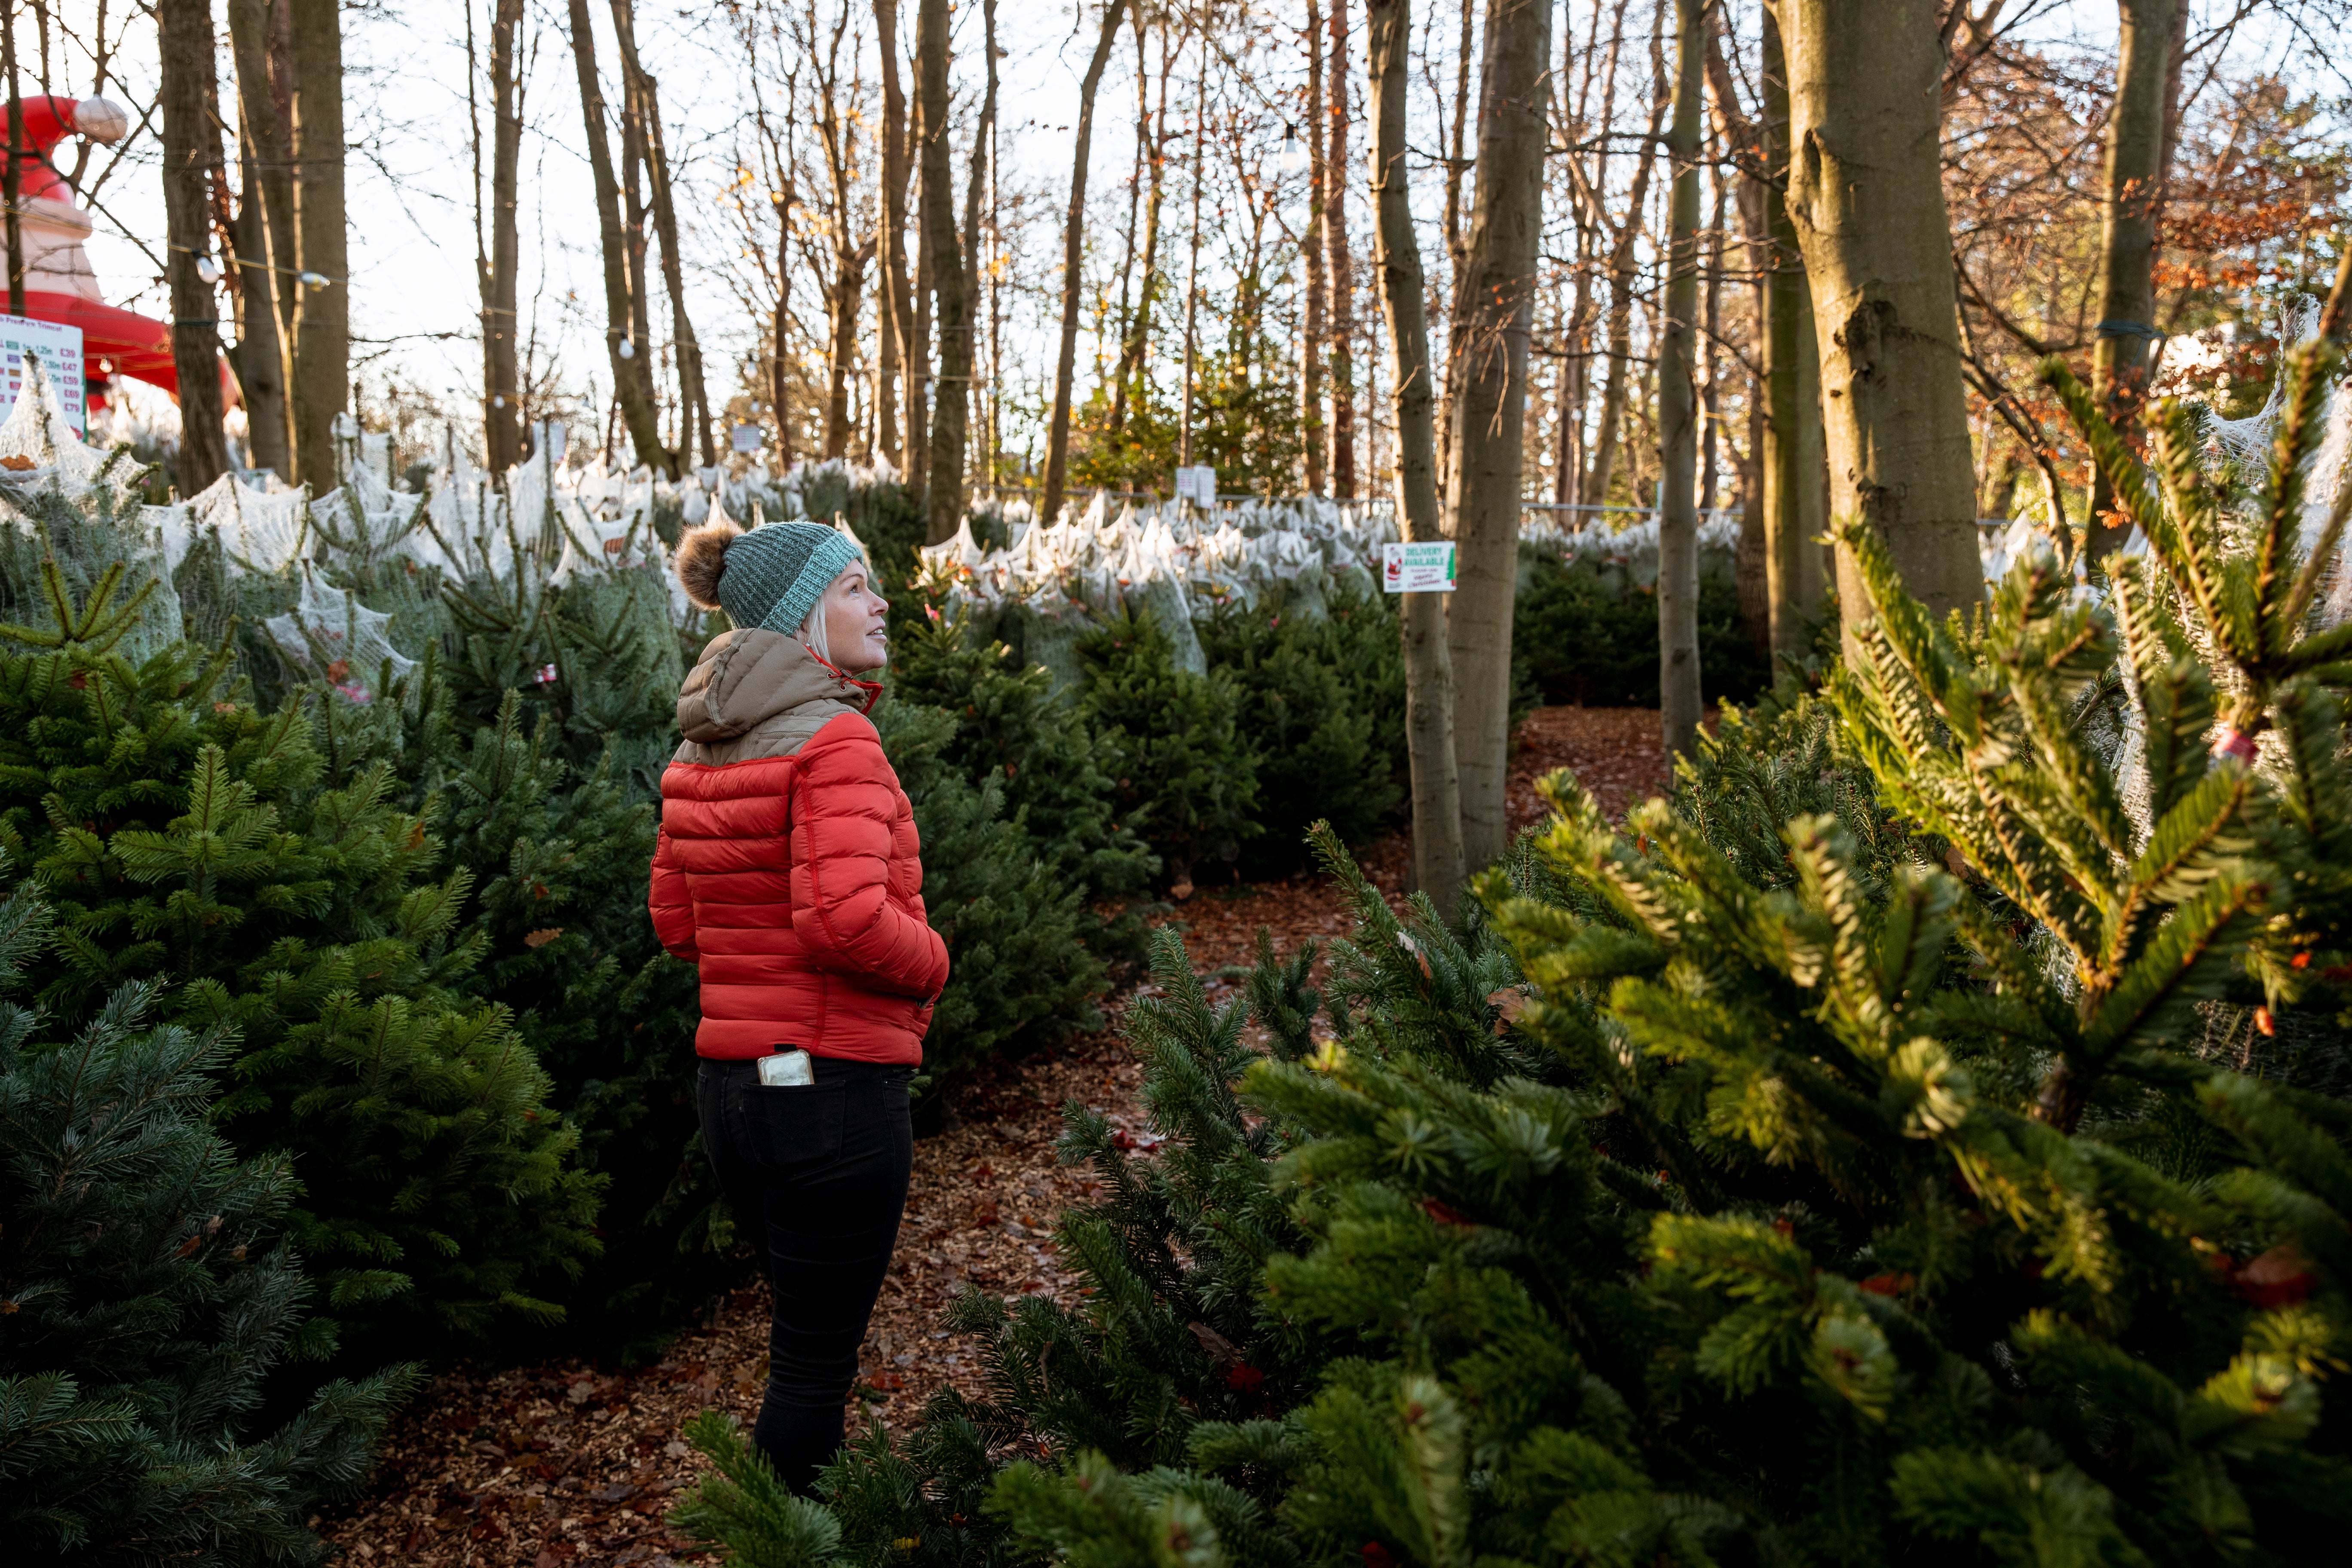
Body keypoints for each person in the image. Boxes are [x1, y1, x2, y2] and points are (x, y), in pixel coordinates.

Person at [649, 517, 947, 1495]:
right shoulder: (837, 740)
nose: (882, 602)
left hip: (736, 1095)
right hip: (833, 1096)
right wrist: (937, 961)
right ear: (805, 613)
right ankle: (788, 1536)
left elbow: (676, 924)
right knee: (814, 1374)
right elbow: (847, 923)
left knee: (801, 1350)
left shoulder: (701, 747)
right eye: (858, 586)